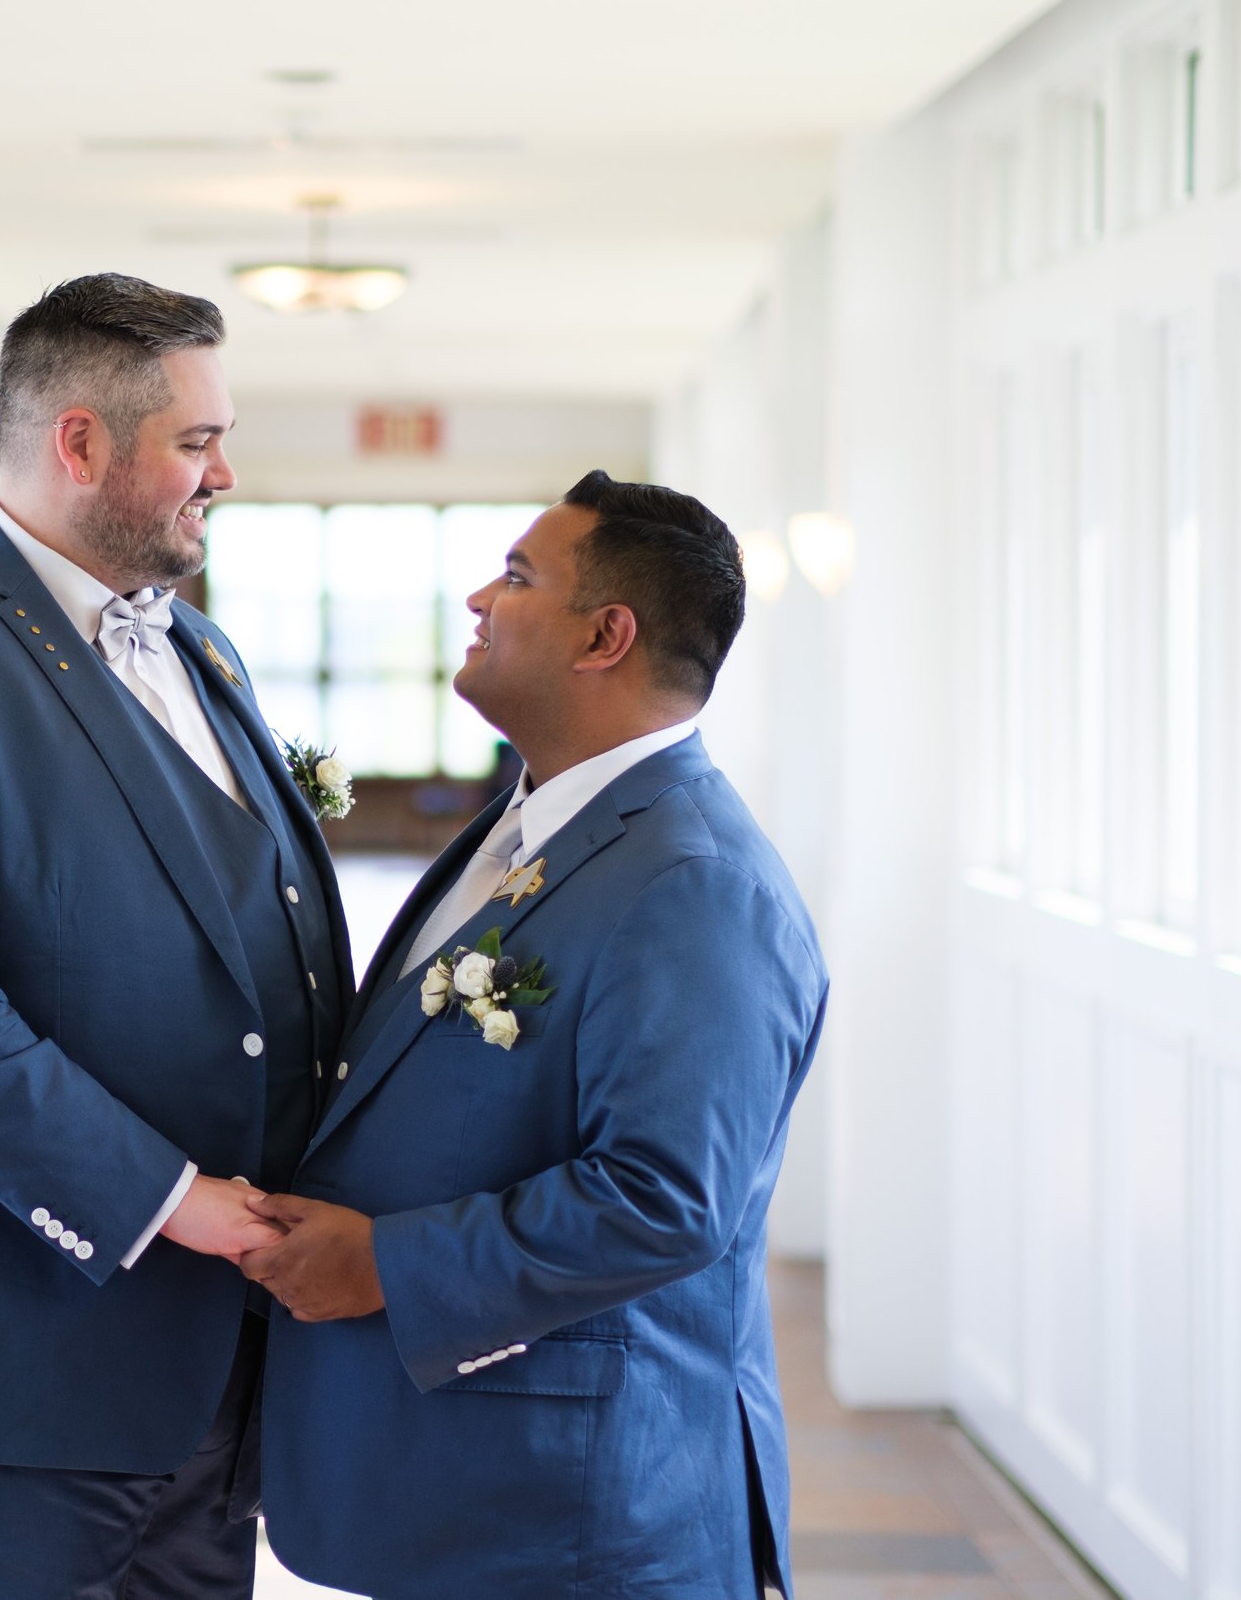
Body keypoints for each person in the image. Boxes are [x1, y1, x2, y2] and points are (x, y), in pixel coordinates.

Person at [0, 273, 351, 1599]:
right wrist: (169, 1200)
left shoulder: (204, 652)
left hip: (211, 1353)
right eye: (197, 441)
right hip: (4, 1354)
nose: (227, 473)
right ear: (82, 440)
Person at [241, 474, 824, 1600]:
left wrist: (382, 1265)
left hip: (582, 1504)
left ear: (606, 634)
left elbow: (665, 1196)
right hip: (467, 1475)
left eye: (515, 576)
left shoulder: (691, 882)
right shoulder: (528, 819)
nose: (477, 596)